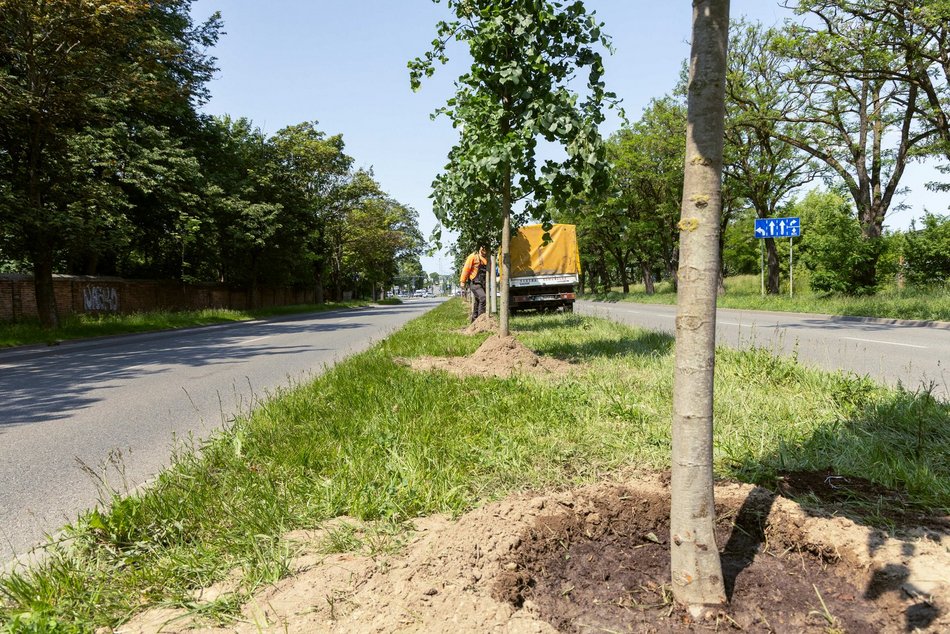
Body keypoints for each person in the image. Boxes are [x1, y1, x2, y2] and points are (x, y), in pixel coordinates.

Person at [460, 246, 488, 322]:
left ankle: (474, 320)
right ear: (479, 248)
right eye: (483, 248)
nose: (484, 250)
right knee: (483, 298)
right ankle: (480, 320)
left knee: (478, 301)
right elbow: (466, 269)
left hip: (483, 283)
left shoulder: (487, 258)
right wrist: (463, 281)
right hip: (475, 283)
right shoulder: (473, 256)